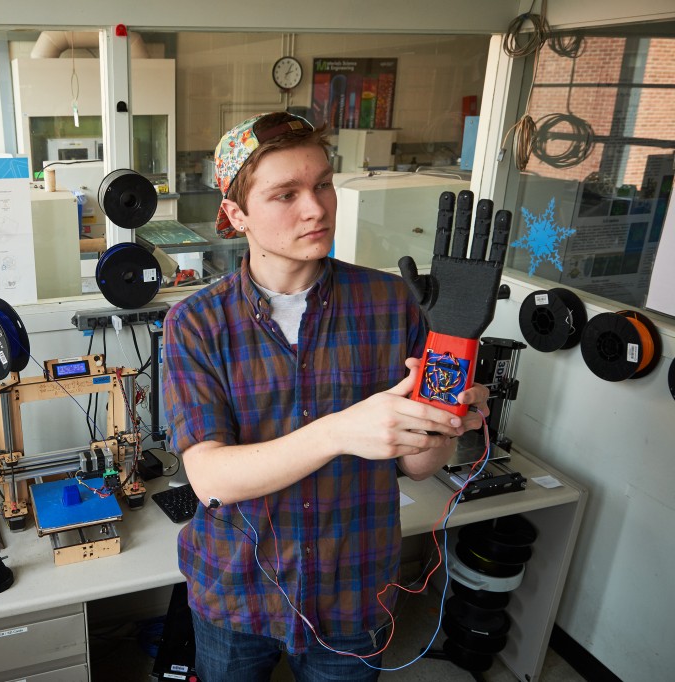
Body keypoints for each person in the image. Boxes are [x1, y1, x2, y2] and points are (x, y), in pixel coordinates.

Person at [161, 111, 490, 681]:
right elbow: (211, 479)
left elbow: (417, 465)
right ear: (237, 214)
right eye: (285, 194)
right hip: (237, 592)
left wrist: (447, 414)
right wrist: (341, 430)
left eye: (322, 184)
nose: (315, 208)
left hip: (353, 588)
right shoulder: (196, 322)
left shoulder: (393, 303)